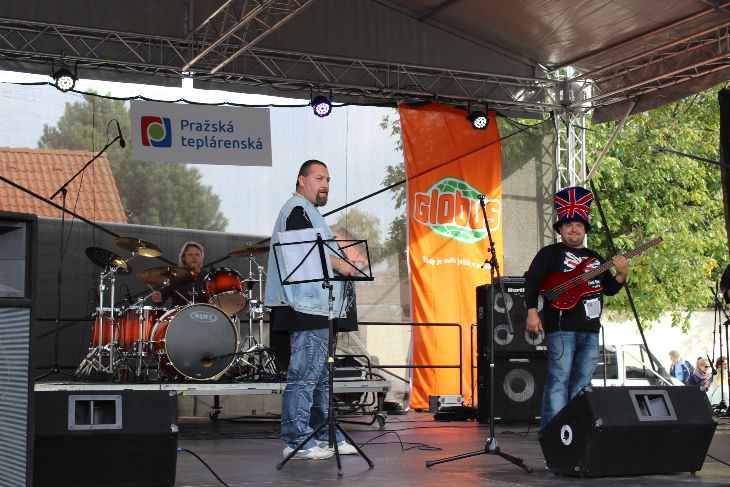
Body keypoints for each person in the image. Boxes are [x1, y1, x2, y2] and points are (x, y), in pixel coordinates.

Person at [264, 160, 360, 460]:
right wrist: (342, 264)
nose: (325, 184)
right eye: (319, 178)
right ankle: (296, 439)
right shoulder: (297, 210)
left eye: (328, 179)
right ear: (301, 180)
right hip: (305, 305)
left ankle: (323, 433)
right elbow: (303, 251)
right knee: (305, 373)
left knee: (319, 376)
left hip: (319, 306)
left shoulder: (310, 212)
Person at [525, 186, 628, 428]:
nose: (574, 229)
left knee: (583, 384)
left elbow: (609, 289)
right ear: (560, 230)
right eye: (569, 225)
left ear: (585, 229)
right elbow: (532, 281)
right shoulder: (550, 253)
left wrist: (622, 274)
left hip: (591, 330)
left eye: (579, 225)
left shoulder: (596, 259)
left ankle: (576, 432)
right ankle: (553, 432)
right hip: (561, 328)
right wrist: (531, 311)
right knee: (558, 379)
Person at [151, 241, 209, 308]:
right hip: (180, 314)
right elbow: (161, 299)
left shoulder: (207, 277)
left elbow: (215, 300)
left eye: (197, 255)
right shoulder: (175, 276)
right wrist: (158, 298)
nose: (194, 257)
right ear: (183, 257)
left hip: (203, 313)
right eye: (190, 254)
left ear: (201, 257)